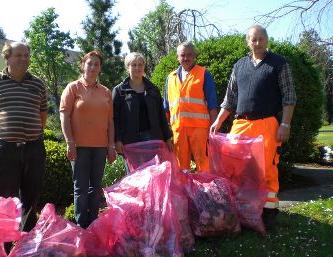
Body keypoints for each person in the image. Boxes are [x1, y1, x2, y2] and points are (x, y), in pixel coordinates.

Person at [210, 25, 297, 225]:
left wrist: (285, 124)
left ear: (267, 40)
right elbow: (229, 100)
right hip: (241, 125)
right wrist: (218, 121)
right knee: (236, 169)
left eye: (261, 39)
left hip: (267, 125)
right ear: (248, 42)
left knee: (266, 170)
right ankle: (241, 211)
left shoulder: (279, 64)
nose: (257, 43)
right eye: (253, 39)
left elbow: (289, 97)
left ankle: (268, 213)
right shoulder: (239, 65)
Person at [0, 41, 48, 233]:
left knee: (31, 199)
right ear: (8, 57)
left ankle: (26, 247)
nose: (24, 59)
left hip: (34, 149)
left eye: (26, 55)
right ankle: (4, 247)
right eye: (19, 55)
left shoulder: (38, 83)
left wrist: (33, 135)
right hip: (6, 149)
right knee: (5, 201)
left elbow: (43, 115)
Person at [59, 50, 116, 229]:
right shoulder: (73, 88)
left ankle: (93, 224)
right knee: (81, 188)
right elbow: (64, 116)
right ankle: (81, 226)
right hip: (80, 147)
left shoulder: (106, 92)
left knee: (95, 187)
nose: (92, 67)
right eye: (89, 63)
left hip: (100, 148)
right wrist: (70, 142)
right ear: (83, 65)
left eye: (96, 64)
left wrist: (111, 145)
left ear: (100, 68)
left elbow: (110, 121)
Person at [164, 41, 218, 172]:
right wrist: (166, 134)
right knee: (181, 168)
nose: (186, 58)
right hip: (178, 131)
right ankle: (184, 192)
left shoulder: (204, 74)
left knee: (204, 165)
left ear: (195, 56)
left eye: (189, 55)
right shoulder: (170, 78)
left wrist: (214, 132)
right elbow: (166, 108)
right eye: (183, 55)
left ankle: (206, 192)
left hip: (200, 129)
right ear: (177, 57)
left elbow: (213, 105)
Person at [112, 52, 173, 161]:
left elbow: (161, 115)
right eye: (133, 65)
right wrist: (118, 140)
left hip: (152, 139)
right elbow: (114, 119)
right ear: (127, 67)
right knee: (136, 175)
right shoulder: (119, 91)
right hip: (130, 141)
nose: (137, 68)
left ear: (144, 66)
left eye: (140, 64)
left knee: (153, 174)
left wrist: (168, 138)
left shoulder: (153, 89)